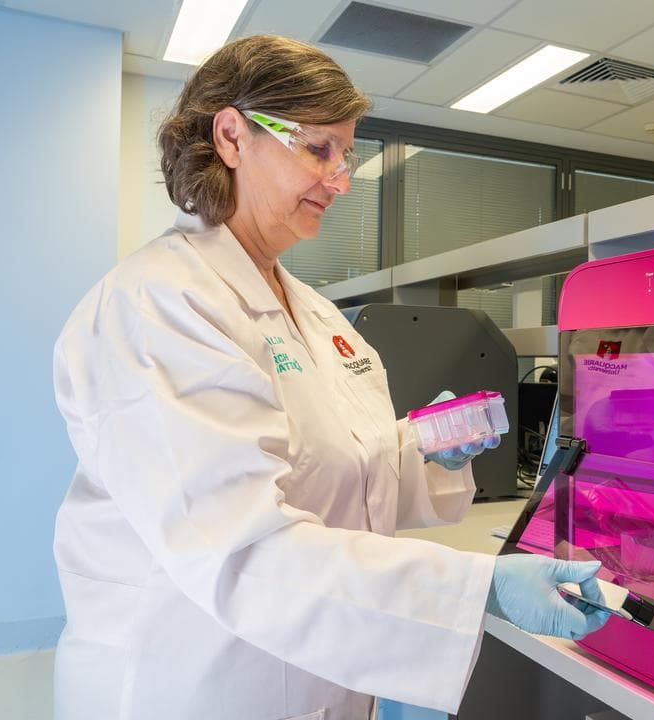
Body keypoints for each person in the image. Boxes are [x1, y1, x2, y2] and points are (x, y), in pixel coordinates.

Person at [51, 35, 606, 720]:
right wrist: (478, 586)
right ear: (231, 135)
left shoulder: (317, 314)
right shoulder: (160, 305)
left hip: (316, 677)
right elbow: (245, 553)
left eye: (347, 154)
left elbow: (338, 473)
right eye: (319, 150)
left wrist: (422, 452)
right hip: (195, 683)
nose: (341, 180)